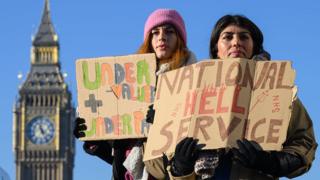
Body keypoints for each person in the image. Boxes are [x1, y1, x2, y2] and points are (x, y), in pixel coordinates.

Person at [150, 15, 317, 180]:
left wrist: (272, 163)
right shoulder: (192, 92)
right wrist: (181, 168)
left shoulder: (276, 89)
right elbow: (161, 168)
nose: (236, 42)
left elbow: (304, 141)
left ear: (255, 45)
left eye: (244, 37)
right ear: (216, 48)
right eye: (228, 37)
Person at [74, 8, 196, 180]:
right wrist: (94, 137)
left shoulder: (193, 79)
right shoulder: (130, 81)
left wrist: (164, 122)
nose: (161, 37)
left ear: (180, 39)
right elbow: (123, 152)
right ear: (149, 40)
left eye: (169, 31)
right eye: (155, 33)